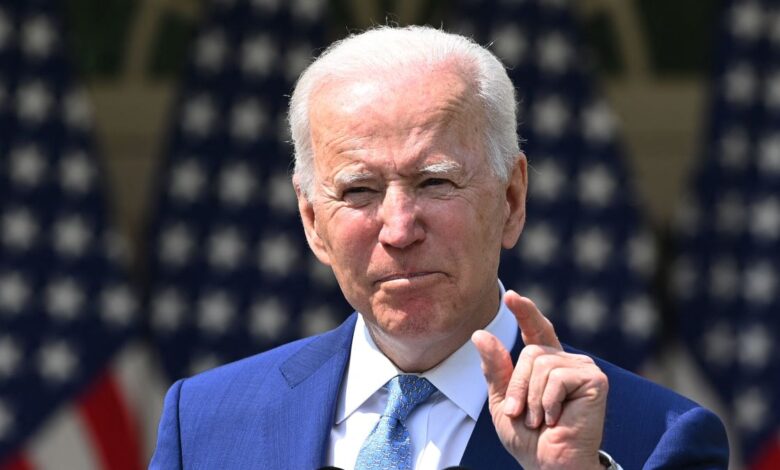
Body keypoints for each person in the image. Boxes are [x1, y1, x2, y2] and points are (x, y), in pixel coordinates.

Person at [150, 26, 729, 469]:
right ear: (312, 221)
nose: (399, 229)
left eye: (435, 182)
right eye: (359, 191)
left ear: (511, 199)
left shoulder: (654, 437)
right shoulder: (203, 423)